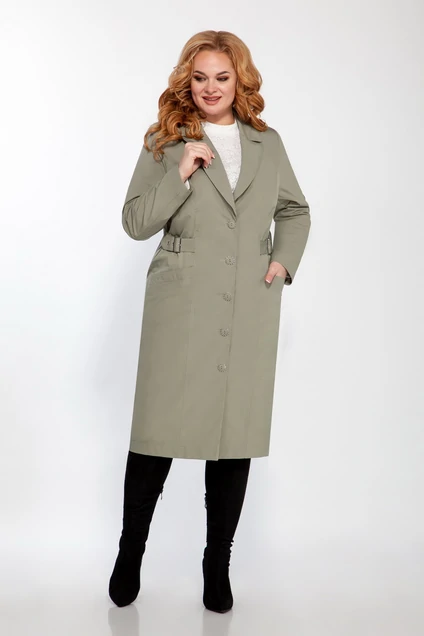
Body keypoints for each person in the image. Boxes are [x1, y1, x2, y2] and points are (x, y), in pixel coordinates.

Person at [109, 30, 311, 613]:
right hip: (181, 308)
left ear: (239, 79)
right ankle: (129, 552)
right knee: (156, 436)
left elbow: (294, 209)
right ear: (187, 81)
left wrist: (281, 261)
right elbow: (134, 222)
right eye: (200, 77)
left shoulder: (267, 143)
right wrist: (179, 174)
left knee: (232, 438)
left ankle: (216, 564)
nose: (210, 88)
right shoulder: (165, 140)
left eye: (222, 77)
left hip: (248, 306)